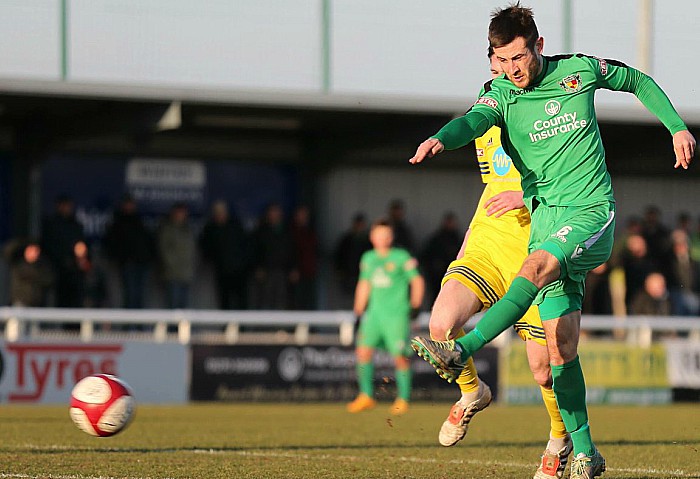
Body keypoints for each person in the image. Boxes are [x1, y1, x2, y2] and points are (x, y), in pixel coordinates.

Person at [408, 5, 695, 479]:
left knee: (534, 268)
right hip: (545, 222)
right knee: (559, 353)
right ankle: (583, 450)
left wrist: (677, 126)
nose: (514, 69)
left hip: (589, 214)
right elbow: (471, 123)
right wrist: (442, 138)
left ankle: (464, 349)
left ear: (538, 46)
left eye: (520, 57)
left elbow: (637, 81)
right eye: (505, 60)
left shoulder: (577, 71)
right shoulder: (499, 93)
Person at [420, 50, 571, 479]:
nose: (499, 78)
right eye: (492, 71)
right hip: (487, 244)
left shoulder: (551, 115)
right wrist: (442, 137)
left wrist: (526, 197)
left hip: (537, 249)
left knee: (544, 370)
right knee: (440, 324)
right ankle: (472, 392)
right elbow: (491, 185)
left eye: (507, 67)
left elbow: (574, 181)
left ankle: (559, 439)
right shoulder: (488, 113)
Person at [346, 219, 424, 416]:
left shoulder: (401, 257)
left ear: (391, 237)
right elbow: (364, 284)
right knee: (363, 351)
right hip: (374, 315)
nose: (382, 239)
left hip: (396, 315)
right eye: (378, 235)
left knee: (400, 357)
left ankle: (403, 399)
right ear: (372, 237)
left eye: (386, 235)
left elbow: (417, 280)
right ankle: (366, 395)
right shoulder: (368, 258)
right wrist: (358, 311)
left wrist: (415, 305)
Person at [104, 194, 155, 309]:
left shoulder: (139, 221)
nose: (130, 207)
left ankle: (139, 325)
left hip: (142, 263)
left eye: (131, 204)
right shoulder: (118, 222)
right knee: (130, 295)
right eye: (127, 204)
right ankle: (129, 325)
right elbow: (112, 244)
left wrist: (148, 258)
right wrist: (123, 258)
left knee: (141, 296)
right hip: (128, 264)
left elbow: (148, 242)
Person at [199, 200, 250, 310]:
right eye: (217, 212)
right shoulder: (210, 228)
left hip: (239, 270)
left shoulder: (235, 226)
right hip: (222, 270)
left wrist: (245, 263)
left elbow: (246, 246)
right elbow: (205, 247)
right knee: (224, 300)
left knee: (241, 300)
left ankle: (243, 326)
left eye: (221, 212)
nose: (220, 214)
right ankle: (226, 326)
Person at [157, 202, 196, 309]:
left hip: (186, 273)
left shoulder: (188, 229)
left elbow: (192, 250)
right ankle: (172, 327)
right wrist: (173, 265)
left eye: (183, 213)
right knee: (173, 306)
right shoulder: (168, 228)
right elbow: (164, 250)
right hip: (172, 273)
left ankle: (182, 326)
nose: (182, 215)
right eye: (179, 212)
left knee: (184, 306)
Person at [420, 211, 462, 306]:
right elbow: (425, 255)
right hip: (437, 276)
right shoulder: (437, 239)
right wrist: (434, 266)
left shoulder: (457, 239)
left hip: (454, 275)